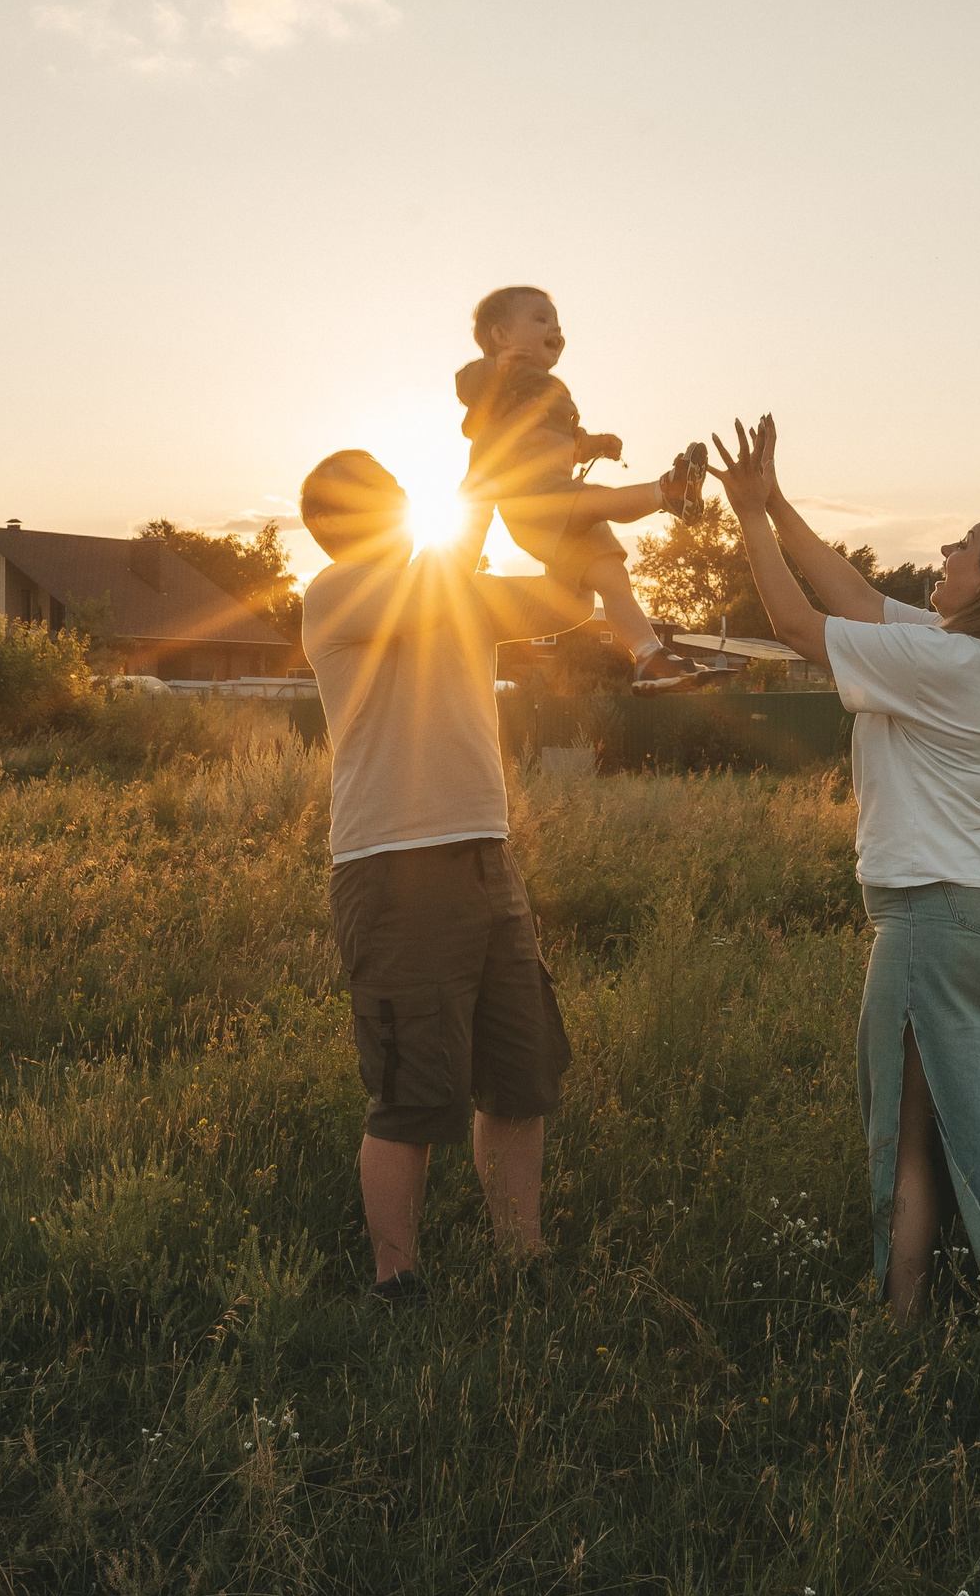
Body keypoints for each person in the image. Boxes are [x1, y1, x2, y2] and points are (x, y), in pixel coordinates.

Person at [712, 415, 980, 1317]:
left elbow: (799, 622)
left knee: (910, 1133)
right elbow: (849, 591)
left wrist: (747, 521)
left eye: (965, 544)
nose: (947, 547)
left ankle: (945, 1316)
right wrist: (772, 499)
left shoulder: (950, 660)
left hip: (938, 918)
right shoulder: (972, 652)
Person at [298, 448, 589, 1305]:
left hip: (486, 859)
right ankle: (397, 1282)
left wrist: (572, 516)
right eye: (378, 500)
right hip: (393, 867)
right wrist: (497, 450)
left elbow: (562, 601)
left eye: (396, 494)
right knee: (411, 1090)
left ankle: (522, 1259)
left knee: (519, 1071)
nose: (395, 507)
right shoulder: (338, 594)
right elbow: (449, 566)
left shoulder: (452, 591)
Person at [457, 284, 731, 695]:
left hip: (562, 501)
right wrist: (494, 369)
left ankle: (649, 657)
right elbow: (466, 385)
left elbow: (568, 442)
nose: (555, 329)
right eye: (540, 319)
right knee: (597, 501)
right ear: (500, 336)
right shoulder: (497, 378)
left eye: (557, 323)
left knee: (613, 578)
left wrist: (596, 443)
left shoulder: (552, 390)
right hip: (532, 501)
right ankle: (666, 492)